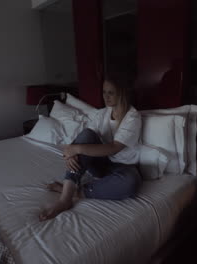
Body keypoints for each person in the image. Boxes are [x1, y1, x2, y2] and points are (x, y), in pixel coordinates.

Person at [39, 73, 142, 221]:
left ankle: (75, 191)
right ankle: (65, 199)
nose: (106, 97)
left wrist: (77, 149)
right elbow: (85, 137)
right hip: (101, 163)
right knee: (87, 134)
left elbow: (114, 147)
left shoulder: (132, 117)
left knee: (131, 182)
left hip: (123, 168)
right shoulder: (101, 114)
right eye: (104, 92)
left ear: (122, 93)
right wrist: (70, 151)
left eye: (111, 92)